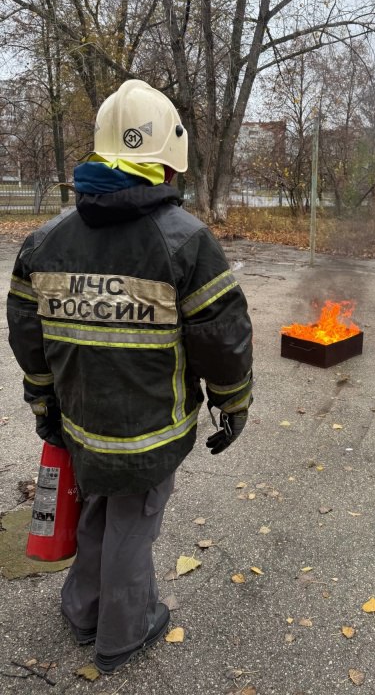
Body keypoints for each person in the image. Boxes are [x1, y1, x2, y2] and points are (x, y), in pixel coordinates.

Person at [6, 79, 253, 674]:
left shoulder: (44, 241)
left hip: (80, 427)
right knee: (133, 528)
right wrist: (233, 403)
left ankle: (82, 609)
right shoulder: (186, 242)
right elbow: (221, 340)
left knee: (96, 510)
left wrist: (44, 408)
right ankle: (123, 631)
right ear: (169, 165)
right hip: (150, 433)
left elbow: (27, 339)